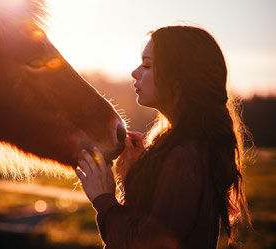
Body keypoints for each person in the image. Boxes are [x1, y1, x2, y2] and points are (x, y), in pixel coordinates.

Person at [75, 26, 251, 249]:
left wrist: (103, 199)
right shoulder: (187, 149)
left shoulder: (185, 156)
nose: (135, 72)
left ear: (178, 79)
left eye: (147, 64)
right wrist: (133, 179)